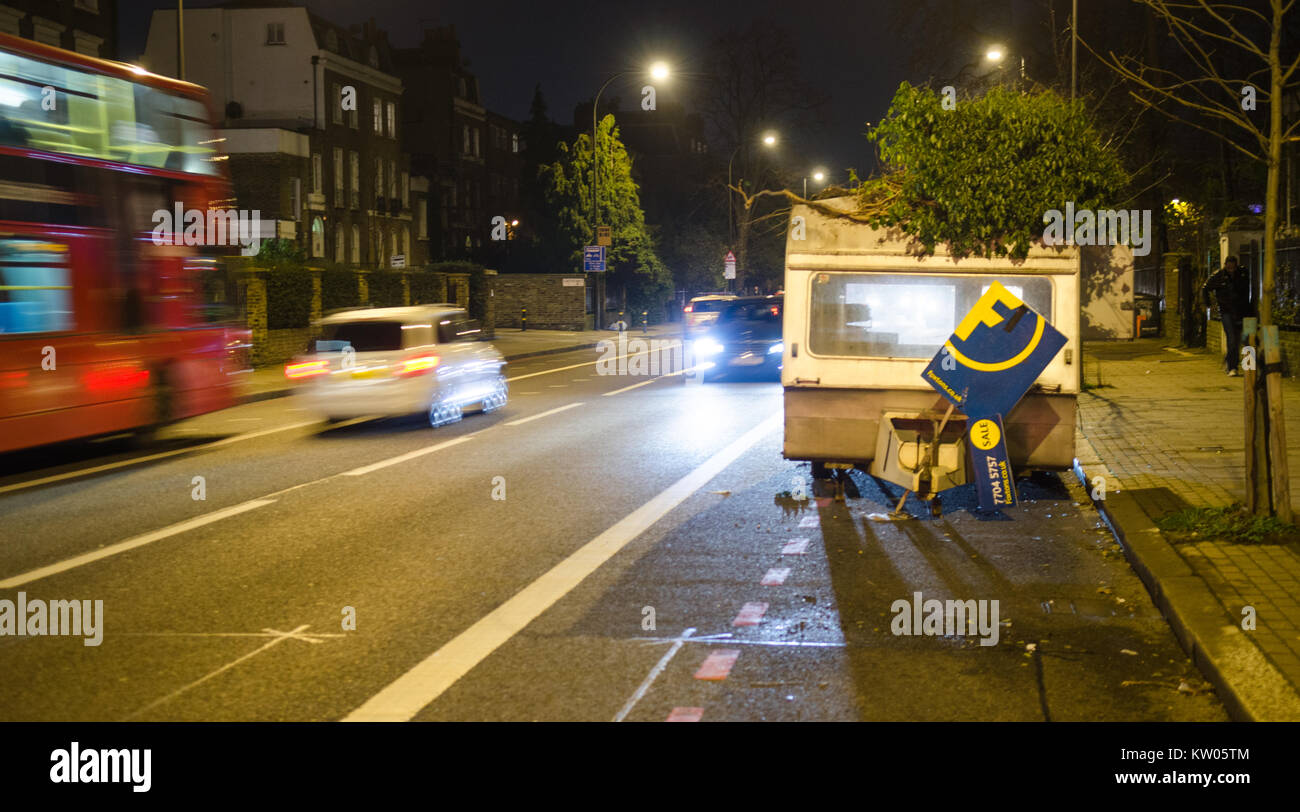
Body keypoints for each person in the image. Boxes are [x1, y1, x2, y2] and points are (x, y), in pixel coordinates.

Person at [1202, 255, 1254, 376]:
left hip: (1244, 311)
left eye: (1233, 268)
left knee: (1248, 339)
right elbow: (1205, 288)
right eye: (1229, 267)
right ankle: (1232, 367)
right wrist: (1209, 304)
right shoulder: (1218, 276)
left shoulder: (1243, 273)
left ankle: (1249, 367)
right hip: (1227, 312)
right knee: (1232, 340)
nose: (1231, 270)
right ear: (1225, 265)